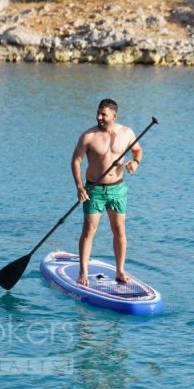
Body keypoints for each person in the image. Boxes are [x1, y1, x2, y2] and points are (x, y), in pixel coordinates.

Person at [71, 99, 142, 287]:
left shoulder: (127, 133)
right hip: (93, 189)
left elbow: (137, 150)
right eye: (98, 113)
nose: (99, 117)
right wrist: (79, 187)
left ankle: (120, 270)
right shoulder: (88, 136)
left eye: (103, 114)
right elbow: (76, 161)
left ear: (114, 116)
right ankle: (83, 272)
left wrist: (135, 163)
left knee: (119, 230)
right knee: (89, 230)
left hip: (118, 189)